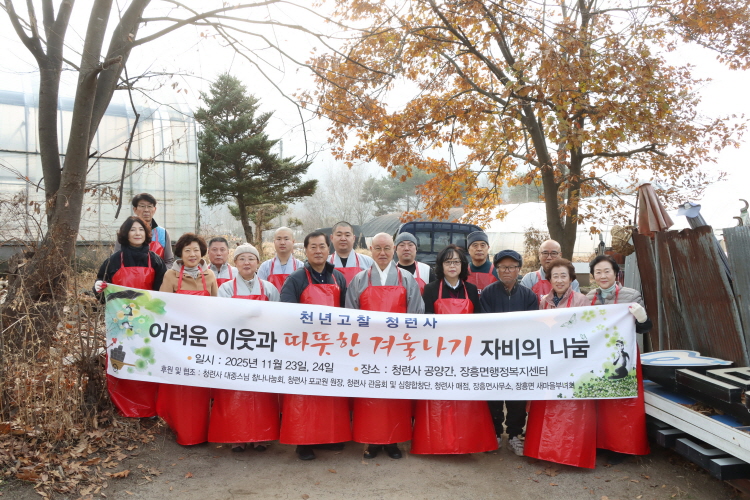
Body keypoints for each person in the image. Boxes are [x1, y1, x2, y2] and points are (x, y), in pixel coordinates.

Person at [346, 233, 424, 460]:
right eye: (378, 248)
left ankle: (393, 441)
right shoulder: (359, 279)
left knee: (395, 397)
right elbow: (350, 316)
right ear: (370, 249)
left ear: (394, 250)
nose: (383, 253)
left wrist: (406, 344)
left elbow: (416, 315)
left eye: (387, 248)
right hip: (368, 349)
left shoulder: (406, 279)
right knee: (370, 396)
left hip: (397, 348)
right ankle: (371, 441)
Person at [412, 245, 496, 455]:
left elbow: (479, 322)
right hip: (438, 352)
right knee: (440, 399)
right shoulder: (431, 289)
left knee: (466, 400)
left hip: (466, 353)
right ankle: (437, 442)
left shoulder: (471, 290)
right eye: (448, 262)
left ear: (462, 265)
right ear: (441, 266)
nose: (452, 266)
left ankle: (468, 441)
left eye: (456, 262)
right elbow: (426, 322)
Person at [279, 231, 351, 460]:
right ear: (306, 251)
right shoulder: (296, 279)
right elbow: (286, 313)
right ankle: (303, 442)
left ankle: (328, 436)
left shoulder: (338, 277)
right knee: (305, 396)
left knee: (329, 394)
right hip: (305, 347)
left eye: (322, 246)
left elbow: (347, 313)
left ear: (329, 250)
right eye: (313, 247)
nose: (318, 251)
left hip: (332, 347)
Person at [94, 216, 166, 418]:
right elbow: (101, 286)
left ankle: (150, 407)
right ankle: (124, 406)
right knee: (122, 361)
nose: (137, 233)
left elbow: (164, 293)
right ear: (125, 234)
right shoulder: (113, 260)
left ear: (146, 234)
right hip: (121, 324)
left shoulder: (155, 260)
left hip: (147, 323)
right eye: (133, 229)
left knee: (146, 360)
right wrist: (98, 287)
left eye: (141, 229)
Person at [210, 243, 280, 452]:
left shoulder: (269, 288)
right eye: (242, 259)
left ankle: (262, 436)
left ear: (258, 262)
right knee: (234, 392)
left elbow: (279, 316)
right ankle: (236, 437)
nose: (246, 263)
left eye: (251, 258)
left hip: (262, 348)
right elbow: (221, 316)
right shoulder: (226, 288)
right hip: (234, 348)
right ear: (235, 263)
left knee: (262, 393)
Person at [586, 254, 650, 460]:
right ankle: (600, 444)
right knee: (599, 401)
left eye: (607, 271)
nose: (603, 276)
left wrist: (642, 318)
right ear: (593, 276)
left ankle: (621, 447)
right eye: (598, 272)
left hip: (624, 356)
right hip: (599, 357)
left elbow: (644, 328)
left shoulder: (631, 296)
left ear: (616, 273)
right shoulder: (589, 297)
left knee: (622, 401)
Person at [157, 233, 217, 446]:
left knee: (200, 388)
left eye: (196, 250)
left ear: (202, 253)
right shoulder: (171, 276)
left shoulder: (209, 275)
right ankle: (182, 430)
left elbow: (217, 307)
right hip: (178, 341)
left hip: (203, 341)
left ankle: (202, 430)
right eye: (187, 250)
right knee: (181, 387)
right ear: (180, 254)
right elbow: (161, 307)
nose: (192, 254)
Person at [479, 250, 538, 456]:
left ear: (519, 270)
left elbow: (532, 326)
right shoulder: (488, 293)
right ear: (496, 269)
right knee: (494, 396)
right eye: (503, 267)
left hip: (519, 355)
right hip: (494, 354)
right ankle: (494, 433)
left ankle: (514, 435)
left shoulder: (528, 296)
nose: (507, 270)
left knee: (517, 397)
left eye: (512, 267)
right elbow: (484, 324)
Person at [114, 193, 174, 267]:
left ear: (154, 209)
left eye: (149, 206)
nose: (146, 210)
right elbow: (116, 259)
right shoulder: (125, 231)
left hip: (158, 273)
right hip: (129, 273)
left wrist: (162, 273)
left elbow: (169, 261)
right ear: (135, 209)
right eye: (142, 206)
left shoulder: (162, 233)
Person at [257, 226, 305, 291]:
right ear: (274, 242)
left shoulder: (301, 267)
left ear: (293, 242)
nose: (282, 242)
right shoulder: (265, 267)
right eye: (279, 239)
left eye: (286, 239)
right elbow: (260, 290)